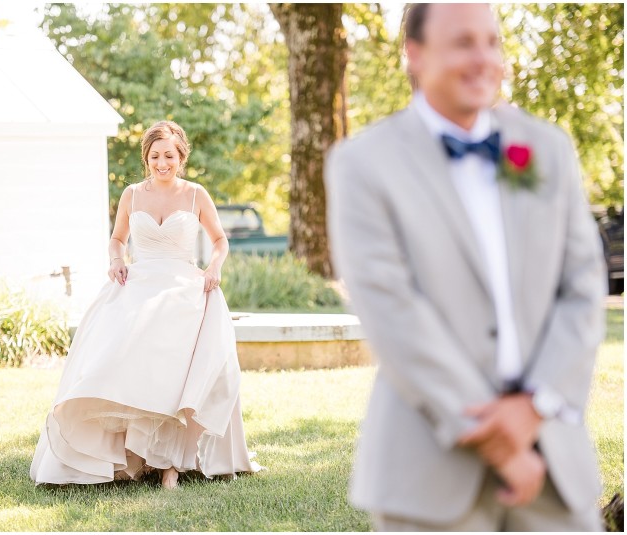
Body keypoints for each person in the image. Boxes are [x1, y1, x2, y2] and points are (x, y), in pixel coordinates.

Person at [325, 3, 606, 531]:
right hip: (428, 472)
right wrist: (503, 446)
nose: (483, 59)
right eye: (462, 43)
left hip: (554, 469)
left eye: (492, 42)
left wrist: (535, 406)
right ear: (415, 53)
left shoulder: (547, 148)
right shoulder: (363, 164)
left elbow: (584, 288)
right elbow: (391, 310)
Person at [30, 120, 261, 490]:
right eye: (155, 156)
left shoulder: (195, 194)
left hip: (185, 287)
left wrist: (213, 268)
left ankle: (173, 464)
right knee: (116, 361)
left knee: (178, 371)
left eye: (169, 155)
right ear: (147, 158)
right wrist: (117, 260)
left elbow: (220, 240)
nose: (162, 162)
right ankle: (128, 457)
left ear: (181, 157)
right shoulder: (132, 194)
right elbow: (118, 239)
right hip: (138, 285)